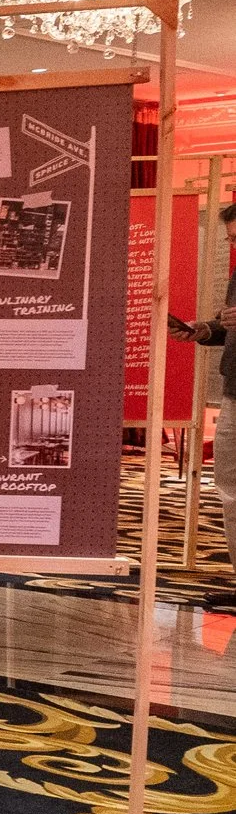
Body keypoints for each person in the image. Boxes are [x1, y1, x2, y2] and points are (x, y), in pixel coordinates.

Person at [167, 202, 236, 574]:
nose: (234, 246)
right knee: (229, 488)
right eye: (230, 239)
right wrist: (205, 329)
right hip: (235, 389)